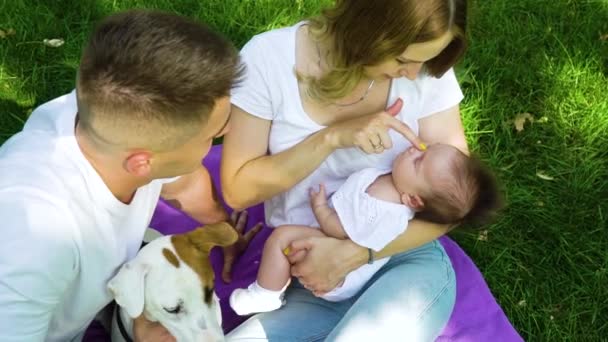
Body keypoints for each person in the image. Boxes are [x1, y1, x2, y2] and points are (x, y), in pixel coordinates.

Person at [221, 0, 471, 339]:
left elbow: (455, 204)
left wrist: (355, 254)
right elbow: (239, 190)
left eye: (422, 61)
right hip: (308, 274)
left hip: (399, 257)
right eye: (402, 60)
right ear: (367, 31)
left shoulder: (424, 68)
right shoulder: (268, 60)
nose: (414, 74)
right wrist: (332, 138)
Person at [0, 10, 255, 342]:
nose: (228, 130)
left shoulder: (111, 113)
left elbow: (185, 182)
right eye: (212, 136)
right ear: (141, 164)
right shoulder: (36, 238)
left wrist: (225, 234)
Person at [229, 143, 500, 315]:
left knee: (281, 238)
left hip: (341, 269)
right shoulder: (391, 181)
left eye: (419, 161)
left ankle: (266, 294)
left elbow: (342, 234)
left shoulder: (387, 211)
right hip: (331, 246)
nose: (413, 150)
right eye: (424, 149)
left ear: (413, 200)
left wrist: (321, 209)